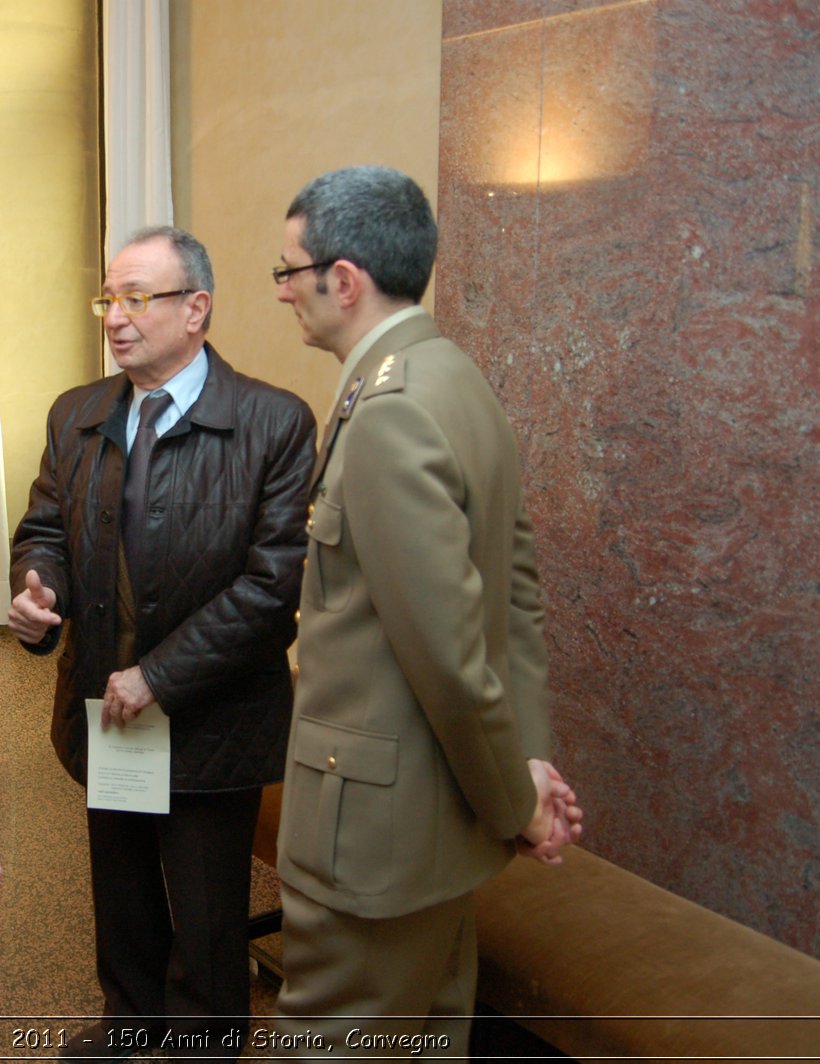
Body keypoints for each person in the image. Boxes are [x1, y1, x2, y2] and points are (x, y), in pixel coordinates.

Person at [269, 166, 583, 1057]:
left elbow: (447, 653)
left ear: (345, 280)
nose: (286, 291)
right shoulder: (454, 379)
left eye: (290, 271)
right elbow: (515, 602)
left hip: (375, 841)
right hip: (435, 830)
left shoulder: (389, 412)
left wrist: (517, 800)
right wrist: (524, 758)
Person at [9, 226, 316, 1058]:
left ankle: (200, 1044)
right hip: (107, 704)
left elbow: (271, 589)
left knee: (208, 907)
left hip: (213, 715)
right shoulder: (76, 414)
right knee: (122, 888)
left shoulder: (273, 423)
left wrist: (160, 676)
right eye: (109, 297)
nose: (115, 317)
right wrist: (40, 590)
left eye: (138, 298)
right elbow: (44, 527)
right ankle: (131, 1022)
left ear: (197, 310)